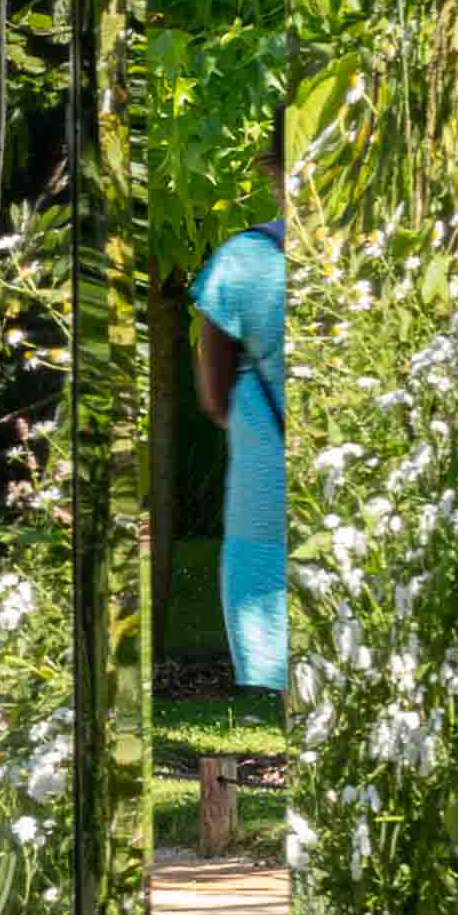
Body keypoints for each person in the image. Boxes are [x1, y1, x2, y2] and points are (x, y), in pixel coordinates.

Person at [192, 137, 288, 698]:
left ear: (274, 171)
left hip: (265, 486)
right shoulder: (384, 259)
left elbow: (215, 397)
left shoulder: (244, 262)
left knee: (266, 614)